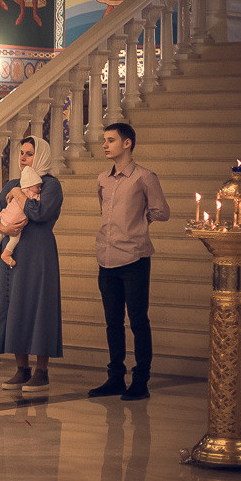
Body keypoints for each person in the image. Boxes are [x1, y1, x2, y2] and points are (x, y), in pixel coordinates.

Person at [89, 123, 170, 400]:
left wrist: (140, 219)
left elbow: (162, 211)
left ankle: (141, 380)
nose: (104, 145)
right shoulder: (102, 178)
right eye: (104, 140)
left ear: (127, 144)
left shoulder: (145, 177)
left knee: (137, 320)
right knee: (112, 322)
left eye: (110, 140)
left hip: (134, 257)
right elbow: (104, 209)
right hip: (106, 256)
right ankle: (115, 378)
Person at [0, 136, 64, 392]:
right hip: (12, 255)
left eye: (29, 154)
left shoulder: (50, 185)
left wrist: (18, 195)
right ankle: (22, 368)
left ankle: (42, 371)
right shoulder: (12, 183)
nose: (23, 158)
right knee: (14, 305)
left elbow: (40, 213)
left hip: (38, 254)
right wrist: (2, 227)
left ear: (39, 157)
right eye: (21, 153)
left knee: (40, 307)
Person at [0, 165, 43, 267]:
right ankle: (6, 253)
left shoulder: (18, 189)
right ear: (30, 186)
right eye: (37, 187)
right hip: (15, 221)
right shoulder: (31, 194)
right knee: (14, 239)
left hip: (5, 217)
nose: (40, 189)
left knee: (1, 233)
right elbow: (37, 208)